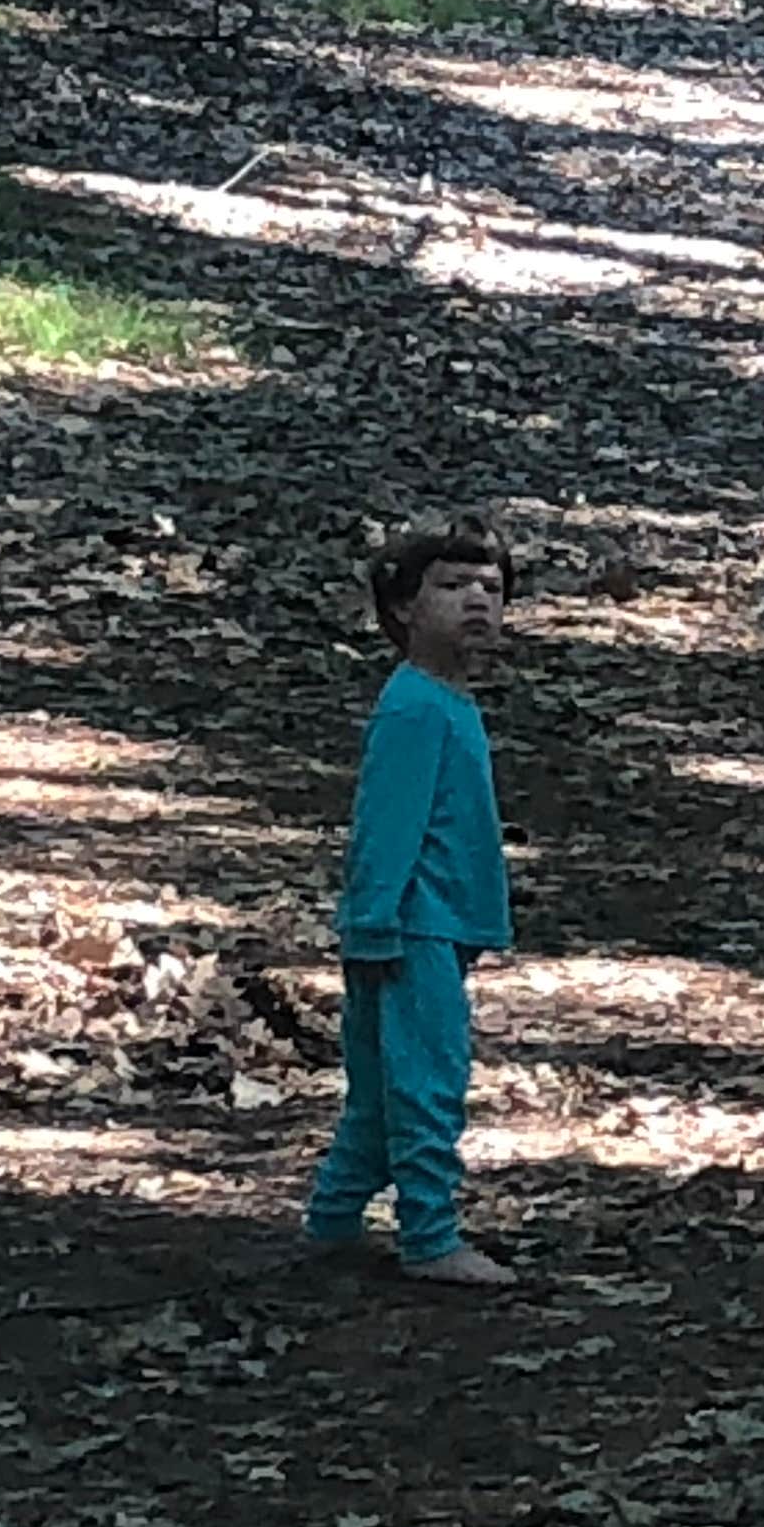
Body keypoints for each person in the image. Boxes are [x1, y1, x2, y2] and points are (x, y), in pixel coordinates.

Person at [303, 518, 520, 1288]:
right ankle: (429, 1237)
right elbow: (386, 825)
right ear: (400, 608)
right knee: (427, 1082)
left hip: (432, 924)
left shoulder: (443, 701)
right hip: (408, 927)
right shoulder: (415, 708)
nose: (475, 603)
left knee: (378, 1091)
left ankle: (331, 1224)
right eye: (451, 587)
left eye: (490, 591)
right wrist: (373, 924)